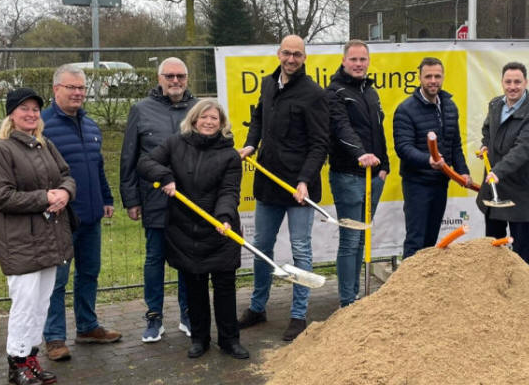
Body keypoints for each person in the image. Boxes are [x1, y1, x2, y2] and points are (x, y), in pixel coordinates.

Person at [137, 99, 249, 360]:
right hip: (184, 229)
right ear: (194, 119)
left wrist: (224, 217)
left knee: (225, 288)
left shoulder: (230, 155)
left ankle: (229, 340)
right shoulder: (175, 144)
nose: (209, 122)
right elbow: (145, 163)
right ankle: (199, 338)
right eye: (204, 117)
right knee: (194, 288)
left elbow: (229, 191)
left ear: (221, 124)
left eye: (214, 118)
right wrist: (165, 176)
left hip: (220, 230)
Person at [237, 34, 329, 342]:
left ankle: (298, 315)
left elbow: (320, 144)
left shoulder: (314, 94)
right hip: (268, 185)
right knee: (261, 247)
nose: (291, 59)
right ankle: (257, 307)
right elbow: (257, 118)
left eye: (297, 55)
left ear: (304, 58)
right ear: (279, 54)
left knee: (301, 250)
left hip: (299, 189)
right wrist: (251, 144)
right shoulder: (268, 84)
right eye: (287, 53)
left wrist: (304, 180)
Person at [0, 88, 74, 385]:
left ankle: (31, 358)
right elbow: (0, 196)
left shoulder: (45, 145)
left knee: (40, 304)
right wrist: (45, 197)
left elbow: (66, 175)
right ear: (11, 114)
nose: (31, 114)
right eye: (24, 109)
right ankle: (16, 363)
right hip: (20, 242)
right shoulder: (1, 151)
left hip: (50, 238)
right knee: (24, 305)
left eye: (35, 109)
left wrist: (65, 192)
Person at [42, 65, 120, 362]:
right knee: (57, 280)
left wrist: (106, 198)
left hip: (91, 215)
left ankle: (87, 327)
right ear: (56, 90)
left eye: (81, 88)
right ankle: (54, 338)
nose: (77, 93)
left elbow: (98, 167)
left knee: (89, 273)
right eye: (71, 87)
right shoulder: (42, 126)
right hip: (59, 219)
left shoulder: (90, 125)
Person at [120, 58, 196, 342]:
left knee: (188, 259)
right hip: (154, 198)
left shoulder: (198, 108)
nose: (175, 81)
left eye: (180, 76)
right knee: (154, 259)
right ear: (159, 78)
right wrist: (131, 199)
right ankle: (154, 317)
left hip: (190, 200)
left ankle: (188, 313)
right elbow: (129, 157)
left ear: (187, 78)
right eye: (169, 76)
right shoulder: (140, 110)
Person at [326, 40, 389, 307]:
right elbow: (342, 128)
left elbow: (379, 131)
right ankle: (347, 301)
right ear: (344, 61)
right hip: (348, 175)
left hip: (374, 177)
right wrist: (360, 154)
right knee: (350, 240)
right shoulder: (334, 92)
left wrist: (384, 166)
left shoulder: (370, 92)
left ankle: (356, 298)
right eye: (353, 59)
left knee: (363, 238)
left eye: (363, 59)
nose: (358, 64)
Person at [393, 57, 468, 259]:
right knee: (415, 240)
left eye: (437, 76)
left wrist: (463, 172)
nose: (433, 81)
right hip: (417, 184)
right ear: (420, 78)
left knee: (431, 241)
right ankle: (410, 279)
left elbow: (455, 145)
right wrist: (428, 160)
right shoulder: (405, 109)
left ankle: (426, 279)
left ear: (442, 77)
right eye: (428, 76)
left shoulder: (450, 106)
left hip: (440, 183)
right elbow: (403, 148)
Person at [478, 62, 529, 263]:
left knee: (520, 250)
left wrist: (498, 171)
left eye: (517, 82)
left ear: (526, 83)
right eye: (508, 82)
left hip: (521, 191)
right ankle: (495, 282)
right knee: (494, 247)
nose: (512, 86)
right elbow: (487, 129)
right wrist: (485, 144)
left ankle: (519, 283)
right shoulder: (495, 105)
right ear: (502, 82)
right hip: (495, 191)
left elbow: (523, 150)